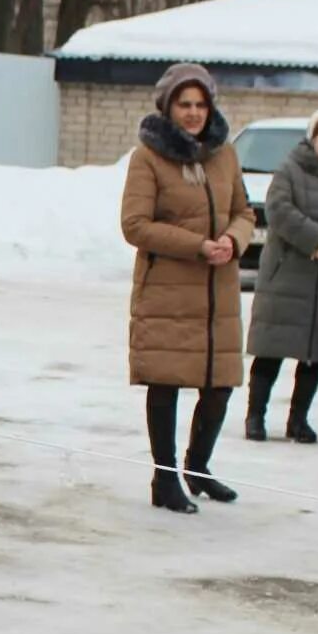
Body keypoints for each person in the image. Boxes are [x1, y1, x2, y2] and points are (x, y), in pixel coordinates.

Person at [120, 63, 254, 515]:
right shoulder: (148, 157)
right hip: (168, 290)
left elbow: (244, 211)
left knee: (220, 384)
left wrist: (233, 240)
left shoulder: (224, 154)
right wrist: (197, 246)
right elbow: (135, 225)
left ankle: (198, 469)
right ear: (168, 107)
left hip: (219, 290)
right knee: (168, 383)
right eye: (185, 104)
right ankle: (165, 477)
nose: (194, 113)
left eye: (200, 104)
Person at [243, 107, 318, 443]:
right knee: (271, 348)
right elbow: (279, 210)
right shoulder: (290, 169)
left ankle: (298, 419)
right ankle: (255, 416)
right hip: (287, 273)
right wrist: (316, 238)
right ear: (314, 138)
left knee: (314, 354)